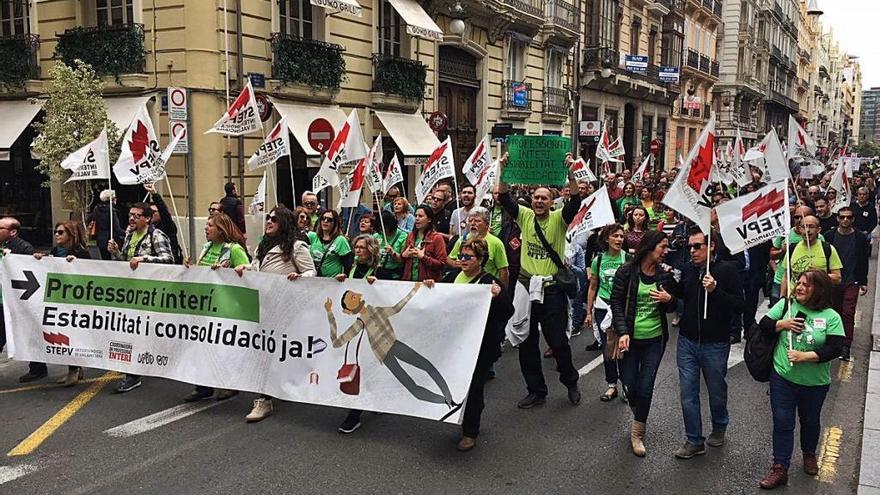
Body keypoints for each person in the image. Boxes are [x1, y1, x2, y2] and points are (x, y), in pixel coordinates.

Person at [497, 153, 582, 409]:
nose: (539, 201)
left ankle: (571, 381)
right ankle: (536, 391)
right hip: (525, 288)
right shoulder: (523, 216)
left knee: (557, 342)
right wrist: (503, 170)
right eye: (536, 198)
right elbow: (503, 197)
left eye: (544, 198)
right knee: (526, 341)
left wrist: (571, 173)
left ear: (552, 201)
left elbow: (575, 201)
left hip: (551, 290)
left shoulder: (559, 218)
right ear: (531, 201)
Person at [326, 283, 460, 433]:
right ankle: (445, 401)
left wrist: (414, 290)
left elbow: (397, 308)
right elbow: (337, 342)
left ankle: (449, 397)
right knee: (411, 386)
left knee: (426, 366)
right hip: (384, 356)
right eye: (351, 298)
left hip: (395, 346)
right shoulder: (360, 323)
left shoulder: (377, 311)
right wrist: (329, 313)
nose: (354, 297)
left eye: (353, 295)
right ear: (349, 310)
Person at [757, 271, 845, 489]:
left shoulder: (832, 317)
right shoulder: (788, 305)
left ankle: (809, 454)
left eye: (807, 285)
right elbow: (765, 324)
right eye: (799, 283)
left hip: (814, 383)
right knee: (782, 422)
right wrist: (783, 324)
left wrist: (807, 357)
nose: (800, 288)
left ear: (820, 290)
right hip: (783, 377)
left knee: (810, 421)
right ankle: (780, 468)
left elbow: (835, 347)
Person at [234, 207, 316, 422]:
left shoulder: (296, 246)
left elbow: (311, 271)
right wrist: (244, 267)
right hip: (262, 306)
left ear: (284, 223)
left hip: (285, 307)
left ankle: (264, 400)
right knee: (265, 350)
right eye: (268, 218)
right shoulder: (263, 245)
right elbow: (256, 269)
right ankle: (274, 390)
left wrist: (299, 277)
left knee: (269, 352)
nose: (268, 221)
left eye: (273, 219)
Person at [431, 238, 513, 451]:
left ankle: (470, 431)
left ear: (481, 260)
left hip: (481, 345)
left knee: (475, 385)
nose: (463, 260)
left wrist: (498, 296)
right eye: (461, 256)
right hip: (455, 342)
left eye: (468, 257)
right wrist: (429, 287)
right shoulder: (451, 277)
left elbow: (507, 311)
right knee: (458, 383)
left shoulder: (489, 281)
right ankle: (464, 415)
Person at [670, 228, 744, 459]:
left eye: (697, 246)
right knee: (688, 392)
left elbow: (739, 305)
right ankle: (694, 440)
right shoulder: (687, 270)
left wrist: (715, 291)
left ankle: (720, 424)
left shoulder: (727, 270)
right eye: (690, 247)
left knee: (716, 389)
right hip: (687, 342)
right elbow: (678, 295)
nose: (692, 251)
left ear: (711, 246)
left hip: (715, 343)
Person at [610, 231, 676, 457]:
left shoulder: (664, 275)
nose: (666, 251)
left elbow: (671, 305)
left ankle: (637, 432)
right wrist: (623, 331)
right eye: (663, 247)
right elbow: (616, 303)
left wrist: (670, 300)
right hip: (629, 340)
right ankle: (639, 408)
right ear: (649, 247)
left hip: (654, 340)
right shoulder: (626, 272)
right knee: (630, 386)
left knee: (646, 385)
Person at [108, 202, 175, 393]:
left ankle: (136, 373)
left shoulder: (156, 235)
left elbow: (169, 260)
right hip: (131, 293)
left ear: (147, 218)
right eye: (130, 215)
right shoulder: (129, 234)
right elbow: (127, 262)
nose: (131, 218)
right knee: (133, 333)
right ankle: (133, 373)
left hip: (150, 294)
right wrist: (116, 253)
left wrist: (145, 259)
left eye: (137, 216)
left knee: (144, 333)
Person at [183, 213, 250, 402]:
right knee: (202, 345)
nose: (206, 228)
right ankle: (203, 386)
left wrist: (235, 271)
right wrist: (190, 267)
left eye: (210, 225)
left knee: (223, 347)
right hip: (205, 305)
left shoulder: (234, 249)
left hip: (226, 307)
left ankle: (229, 384)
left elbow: (250, 272)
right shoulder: (207, 247)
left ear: (221, 229)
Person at [27, 221, 92, 385]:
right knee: (64, 334)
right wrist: (41, 259)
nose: (56, 234)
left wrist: (77, 264)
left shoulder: (81, 252)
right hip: (60, 299)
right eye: (56, 231)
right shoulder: (57, 250)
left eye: (61, 232)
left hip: (75, 301)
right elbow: (52, 264)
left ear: (71, 235)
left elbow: (91, 273)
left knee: (72, 334)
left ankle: (74, 370)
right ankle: (76, 369)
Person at [333, 234, 385, 433]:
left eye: (362, 247)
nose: (358, 250)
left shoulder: (380, 271)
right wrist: (340, 281)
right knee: (358, 363)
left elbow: (389, 293)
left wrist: (379, 284)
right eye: (356, 247)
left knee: (368, 364)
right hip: (355, 324)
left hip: (372, 327)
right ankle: (358, 408)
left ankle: (355, 414)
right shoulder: (352, 269)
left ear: (371, 249)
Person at [586, 224, 628, 402]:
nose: (619, 239)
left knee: (624, 348)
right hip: (603, 308)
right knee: (608, 348)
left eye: (621, 236)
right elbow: (593, 286)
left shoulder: (628, 258)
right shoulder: (599, 260)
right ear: (606, 239)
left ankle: (627, 385)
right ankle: (612, 385)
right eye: (615, 236)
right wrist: (589, 311)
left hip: (622, 308)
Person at [825, 206, 869, 361]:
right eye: (842, 217)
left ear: (853, 219)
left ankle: (845, 345)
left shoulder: (860, 238)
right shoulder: (829, 236)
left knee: (848, 313)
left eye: (848, 217)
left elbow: (863, 260)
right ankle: (834, 341)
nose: (845, 220)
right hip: (833, 282)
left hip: (852, 281)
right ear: (837, 218)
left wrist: (863, 281)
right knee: (834, 312)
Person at [778, 215, 842, 297]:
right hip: (795, 298)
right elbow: (786, 276)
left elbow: (838, 278)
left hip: (819, 300)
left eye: (811, 227)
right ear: (799, 229)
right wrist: (782, 297)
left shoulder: (828, 249)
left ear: (818, 230)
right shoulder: (792, 248)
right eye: (804, 227)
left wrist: (819, 273)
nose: (807, 230)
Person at [447, 207, 509, 286]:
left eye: (477, 221)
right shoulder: (463, 239)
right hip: (463, 284)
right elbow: (449, 259)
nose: (472, 223)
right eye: (470, 220)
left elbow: (503, 271)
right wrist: (455, 263)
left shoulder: (496, 243)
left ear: (487, 224)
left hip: (486, 286)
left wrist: (502, 291)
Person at [0, 217, 35, 357]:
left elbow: (33, 272)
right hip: (2, 299)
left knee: (26, 333)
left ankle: (37, 367)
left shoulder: (24, 248)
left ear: (13, 232)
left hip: (16, 300)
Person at [401, 205, 448, 282]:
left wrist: (423, 257)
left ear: (429, 219)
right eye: (415, 216)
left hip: (427, 284)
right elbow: (402, 260)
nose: (416, 218)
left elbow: (442, 264)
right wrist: (404, 255)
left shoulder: (437, 238)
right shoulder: (410, 236)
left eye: (420, 216)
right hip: (409, 283)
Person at [307, 209, 353, 278]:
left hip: (333, 282)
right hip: (314, 280)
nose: (325, 221)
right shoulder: (312, 236)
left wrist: (344, 275)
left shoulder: (340, 240)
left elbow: (348, 264)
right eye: (323, 218)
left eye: (329, 219)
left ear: (335, 223)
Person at [145, 183, 183, 264]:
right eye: (148, 212)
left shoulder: (167, 225)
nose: (150, 214)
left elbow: (164, 212)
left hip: (171, 265)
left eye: (153, 212)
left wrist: (154, 194)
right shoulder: (147, 227)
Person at [89, 189, 124, 260]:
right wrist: (125, 233)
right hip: (111, 239)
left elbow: (92, 219)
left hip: (100, 238)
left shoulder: (96, 208)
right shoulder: (112, 211)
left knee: (104, 258)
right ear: (112, 199)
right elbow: (117, 228)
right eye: (115, 198)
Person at [375, 210, 407, 280]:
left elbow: (403, 260)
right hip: (378, 273)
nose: (382, 229)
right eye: (379, 227)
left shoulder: (403, 236)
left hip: (394, 274)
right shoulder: (376, 236)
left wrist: (392, 253)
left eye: (384, 226)